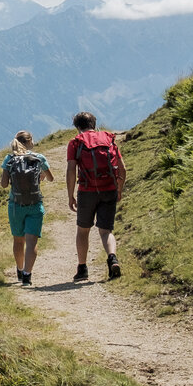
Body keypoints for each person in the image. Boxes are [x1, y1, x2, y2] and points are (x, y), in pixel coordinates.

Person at [65, 111, 127, 281]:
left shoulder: (75, 143)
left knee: (83, 230)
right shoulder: (108, 139)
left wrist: (70, 195)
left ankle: (83, 268)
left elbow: (71, 170)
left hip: (87, 191)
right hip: (109, 190)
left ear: (77, 127)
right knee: (106, 231)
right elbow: (122, 169)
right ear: (94, 124)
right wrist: (118, 189)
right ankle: (112, 258)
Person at [0, 131, 50, 286]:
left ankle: (20, 270)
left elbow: (3, 184)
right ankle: (28, 276)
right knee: (32, 241)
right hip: (35, 205)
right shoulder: (39, 158)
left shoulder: (9, 159)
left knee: (18, 240)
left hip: (16, 205)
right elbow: (51, 178)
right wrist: (40, 175)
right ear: (29, 142)